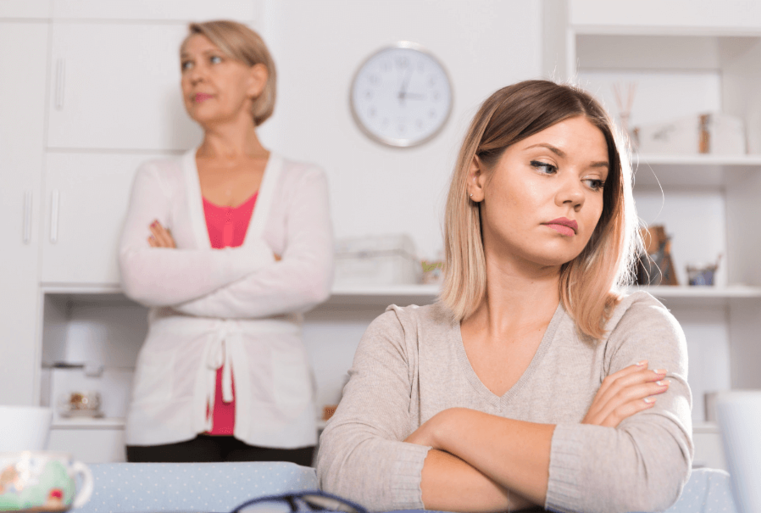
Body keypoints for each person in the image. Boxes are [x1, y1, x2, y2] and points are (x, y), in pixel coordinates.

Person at [317, 80, 692, 512]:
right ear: (477, 177)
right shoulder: (401, 337)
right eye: (547, 166)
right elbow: (344, 474)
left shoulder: (635, 326)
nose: (575, 195)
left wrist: (449, 427)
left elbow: (642, 482)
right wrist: (573, 470)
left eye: (594, 181)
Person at [119, 20, 333, 465]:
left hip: (277, 414)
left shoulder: (302, 179)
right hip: (165, 413)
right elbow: (139, 277)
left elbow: (310, 283)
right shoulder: (158, 177)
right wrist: (257, 260)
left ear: (256, 79)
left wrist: (182, 272)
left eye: (214, 59)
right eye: (186, 64)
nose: (195, 74)